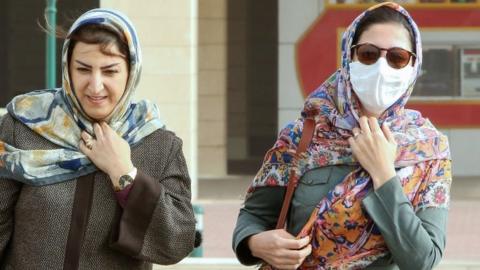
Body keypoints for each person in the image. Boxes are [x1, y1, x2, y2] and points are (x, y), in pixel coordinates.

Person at [232, 2, 452, 270]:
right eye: (369, 54)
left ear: (413, 67)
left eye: (397, 58)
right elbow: (254, 215)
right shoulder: (301, 136)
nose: (381, 68)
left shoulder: (430, 150)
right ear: (349, 57)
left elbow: (423, 260)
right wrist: (256, 242)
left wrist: (383, 174)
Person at [0, 8, 197, 269]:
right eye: (83, 69)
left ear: (131, 71)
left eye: (110, 71)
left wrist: (124, 174)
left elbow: (177, 242)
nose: (95, 86)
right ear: (67, 69)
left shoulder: (159, 146)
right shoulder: (23, 128)